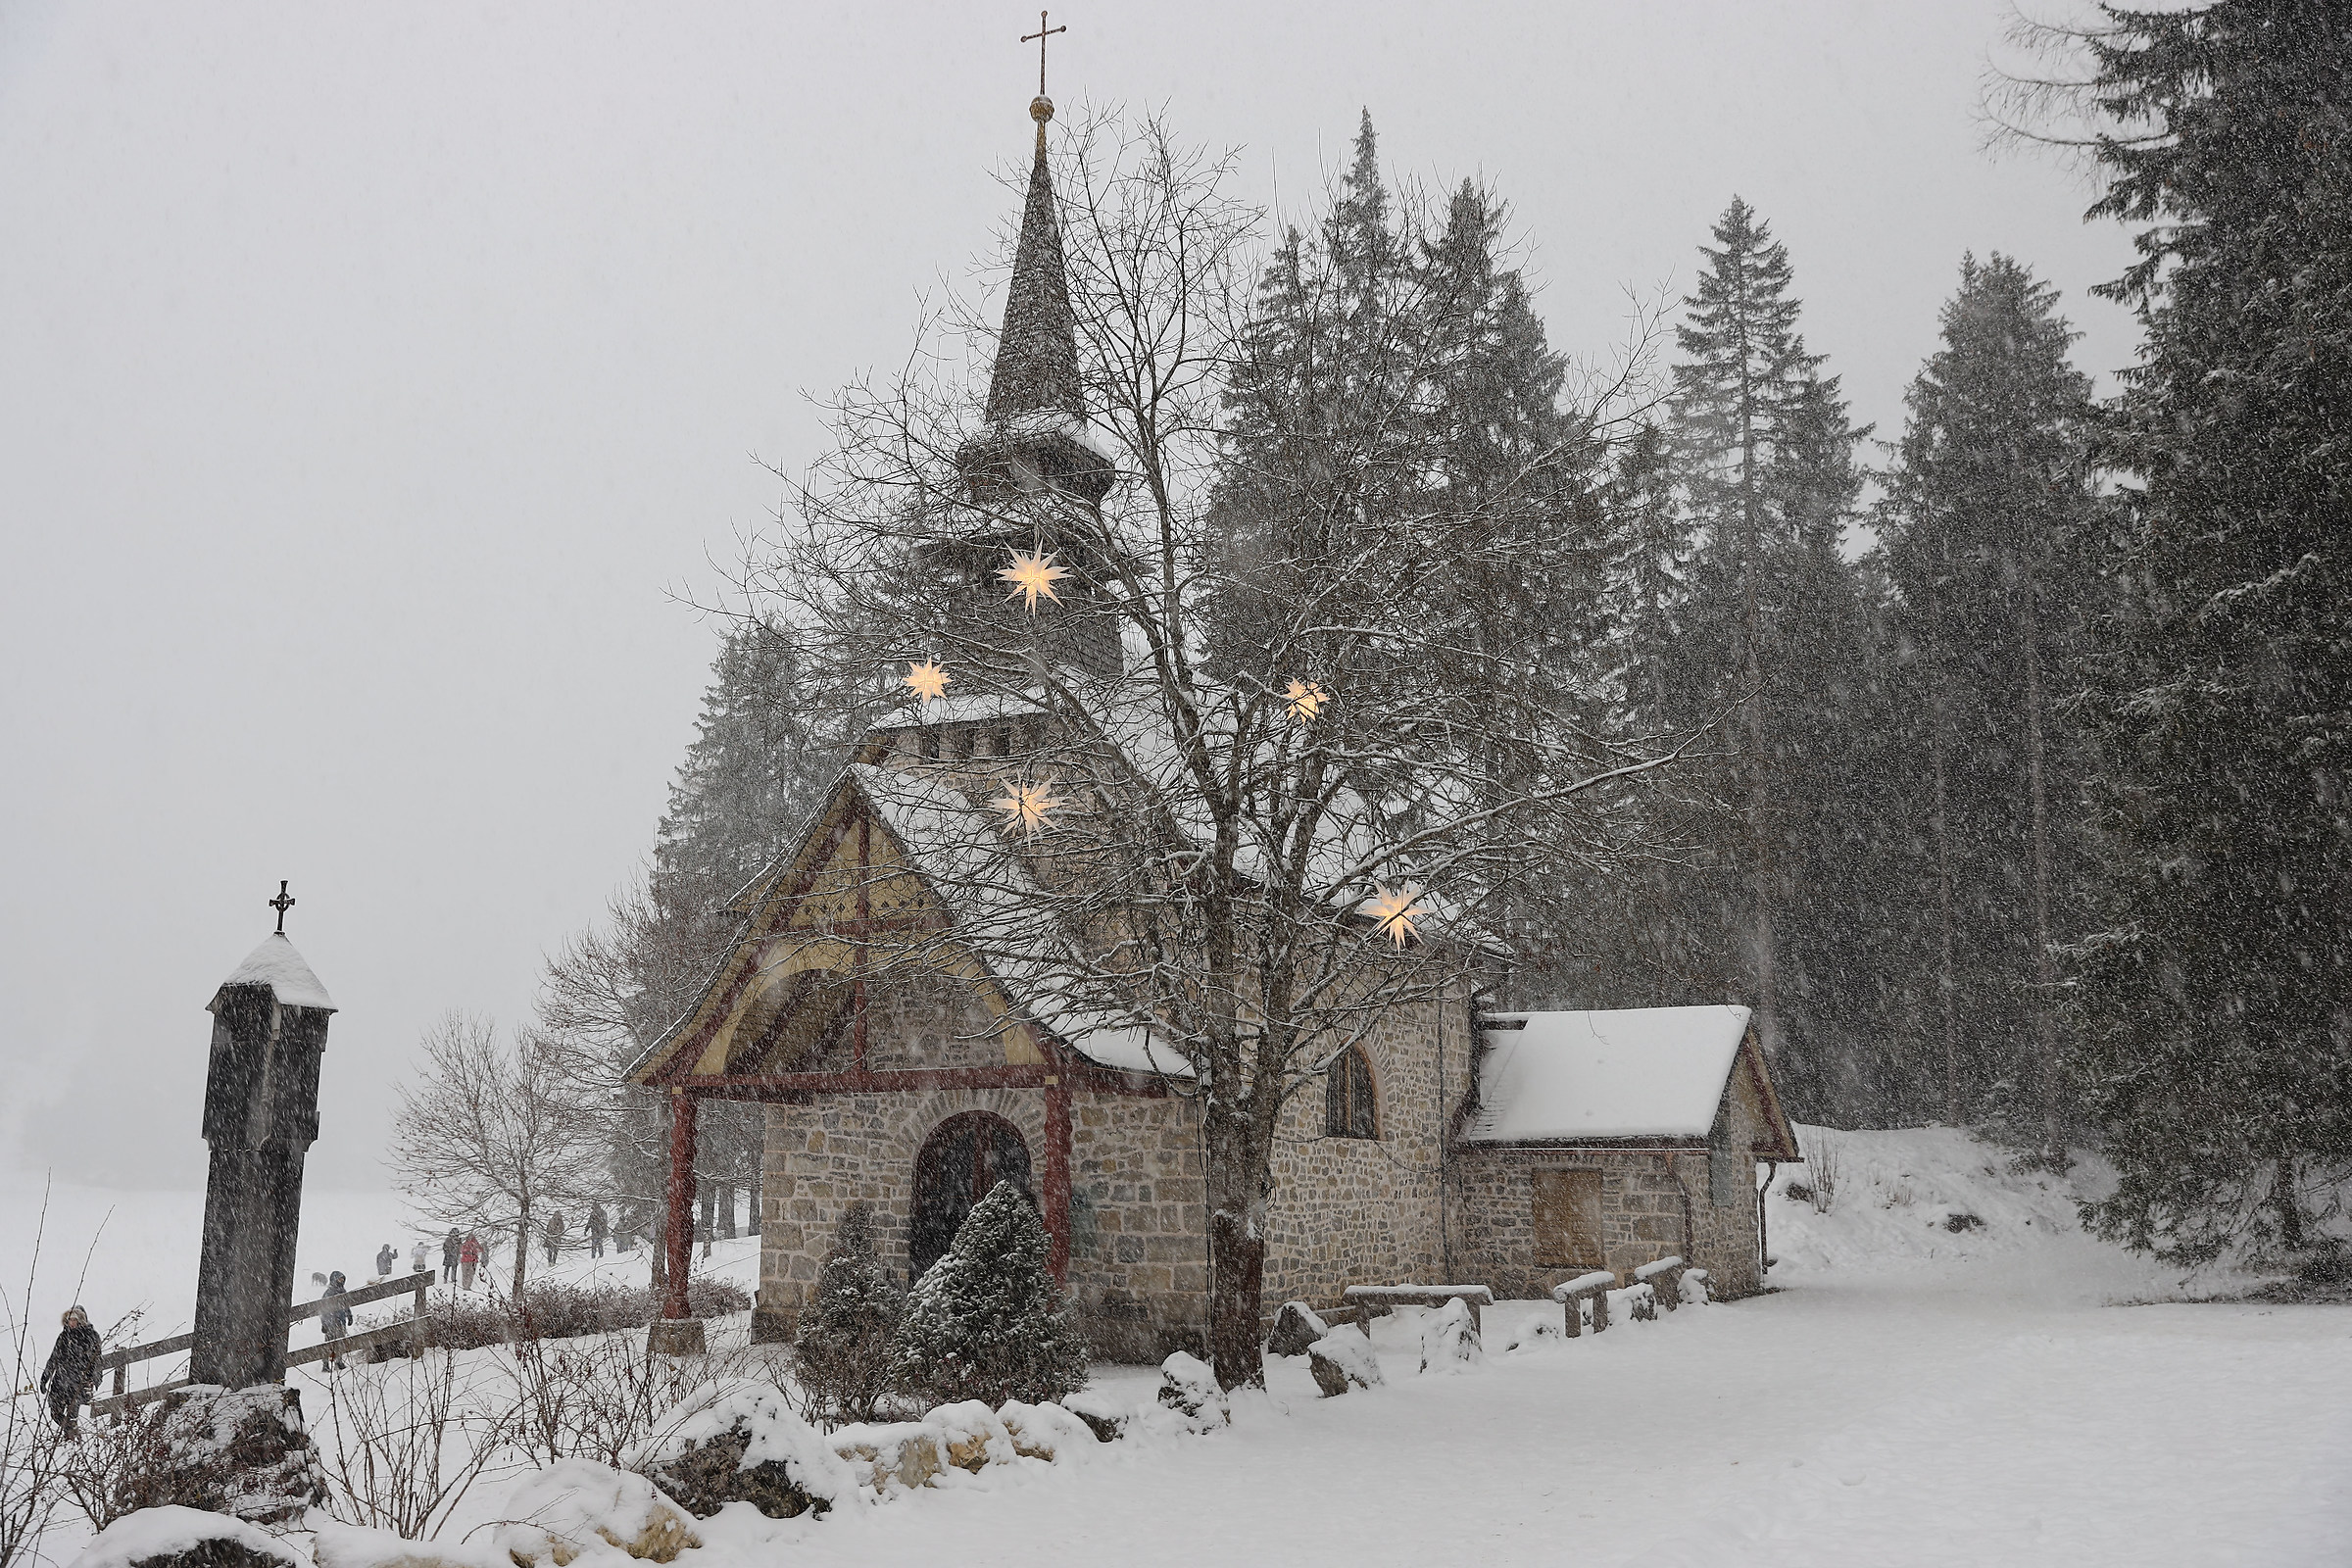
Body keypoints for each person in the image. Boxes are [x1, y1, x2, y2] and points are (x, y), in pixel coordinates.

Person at [38, 1305, 103, 1438]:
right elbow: (54, 1358)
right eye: (69, 1320)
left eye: (74, 1320)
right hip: (60, 1380)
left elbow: (97, 1361)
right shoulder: (64, 1336)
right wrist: (45, 1378)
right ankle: (71, 1433)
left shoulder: (91, 1336)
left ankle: (72, 1440)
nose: (72, 1323)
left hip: (79, 1381)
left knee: (72, 1413)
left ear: (81, 1321)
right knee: (55, 1413)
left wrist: (94, 1380)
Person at [319, 1271, 353, 1367]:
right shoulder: (329, 1293)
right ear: (334, 1280)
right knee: (329, 1343)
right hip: (330, 1321)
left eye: (342, 1279)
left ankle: (338, 1361)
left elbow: (346, 1305)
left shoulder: (343, 1291)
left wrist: (349, 1315)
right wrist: (324, 1323)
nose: (341, 1281)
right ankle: (325, 1363)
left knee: (340, 1342)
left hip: (341, 1321)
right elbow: (323, 1309)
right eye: (339, 1279)